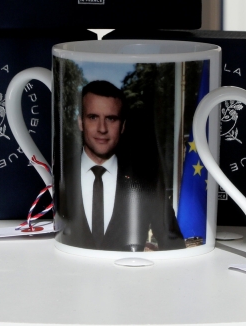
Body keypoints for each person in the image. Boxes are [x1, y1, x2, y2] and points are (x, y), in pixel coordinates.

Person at [59, 80, 185, 251]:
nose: (102, 128)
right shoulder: (60, 174)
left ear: (123, 126)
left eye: (111, 119)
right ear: (81, 122)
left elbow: (173, 244)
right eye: (93, 117)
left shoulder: (145, 178)